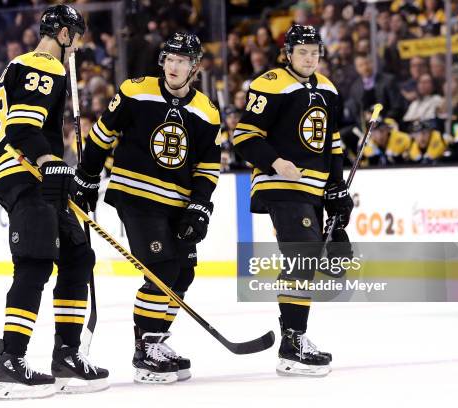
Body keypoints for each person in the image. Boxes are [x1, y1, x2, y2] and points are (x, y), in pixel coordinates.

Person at [0, 5, 108, 399]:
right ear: (64, 34)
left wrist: (65, 175)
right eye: (76, 37)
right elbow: (22, 127)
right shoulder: (44, 65)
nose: (77, 46)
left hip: (30, 172)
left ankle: (66, 354)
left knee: (77, 255)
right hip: (23, 172)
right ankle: (10, 362)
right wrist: (51, 163)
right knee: (35, 261)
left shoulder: (28, 65)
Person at [79, 32, 221, 384]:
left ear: (195, 67)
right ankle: (145, 351)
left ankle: (157, 338)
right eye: (169, 59)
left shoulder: (206, 111)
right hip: (137, 196)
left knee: (183, 273)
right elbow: (101, 135)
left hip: (178, 203)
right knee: (162, 268)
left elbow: (207, 167)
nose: (174, 66)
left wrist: (200, 207)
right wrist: (86, 176)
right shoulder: (135, 90)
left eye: (182, 61)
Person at [233, 25, 353, 376]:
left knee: (306, 257)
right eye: (302, 51)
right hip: (279, 183)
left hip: (313, 188)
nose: (310, 57)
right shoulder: (270, 83)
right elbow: (244, 136)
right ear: (288, 53)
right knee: (303, 252)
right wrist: (275, 161)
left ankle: (293, 341)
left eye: (315, 51)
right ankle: (293, 343)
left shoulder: (329, 88)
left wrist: (336, 187)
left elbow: (332, 145)